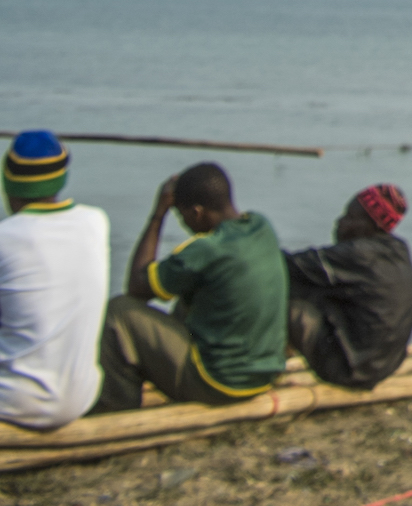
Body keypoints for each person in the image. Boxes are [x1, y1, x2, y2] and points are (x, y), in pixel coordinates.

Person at [92, 162, 284, 412]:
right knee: (188, 292)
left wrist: (157, 214)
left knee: (118, 311)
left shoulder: (206, 249)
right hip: (264, 375)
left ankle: (115, 408)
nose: (184, 224)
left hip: (218, 384)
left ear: (196, 213)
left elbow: (137, 287)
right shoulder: (261, 226)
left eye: (182, 217)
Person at [0, 131, 110, 431]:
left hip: (14, 403)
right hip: (80, 398)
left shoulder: (5, 238)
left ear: (7, 183)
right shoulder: (96, 222)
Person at [282, 186, 412, 391]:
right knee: (316, 285)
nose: (340, 222)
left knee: (287, 300)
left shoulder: (359, 255)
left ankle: (262, 369)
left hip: (351, 372)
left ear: (370, 225)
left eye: (350, 216)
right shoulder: (399, 251)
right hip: (385, 366)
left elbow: (289, 265)